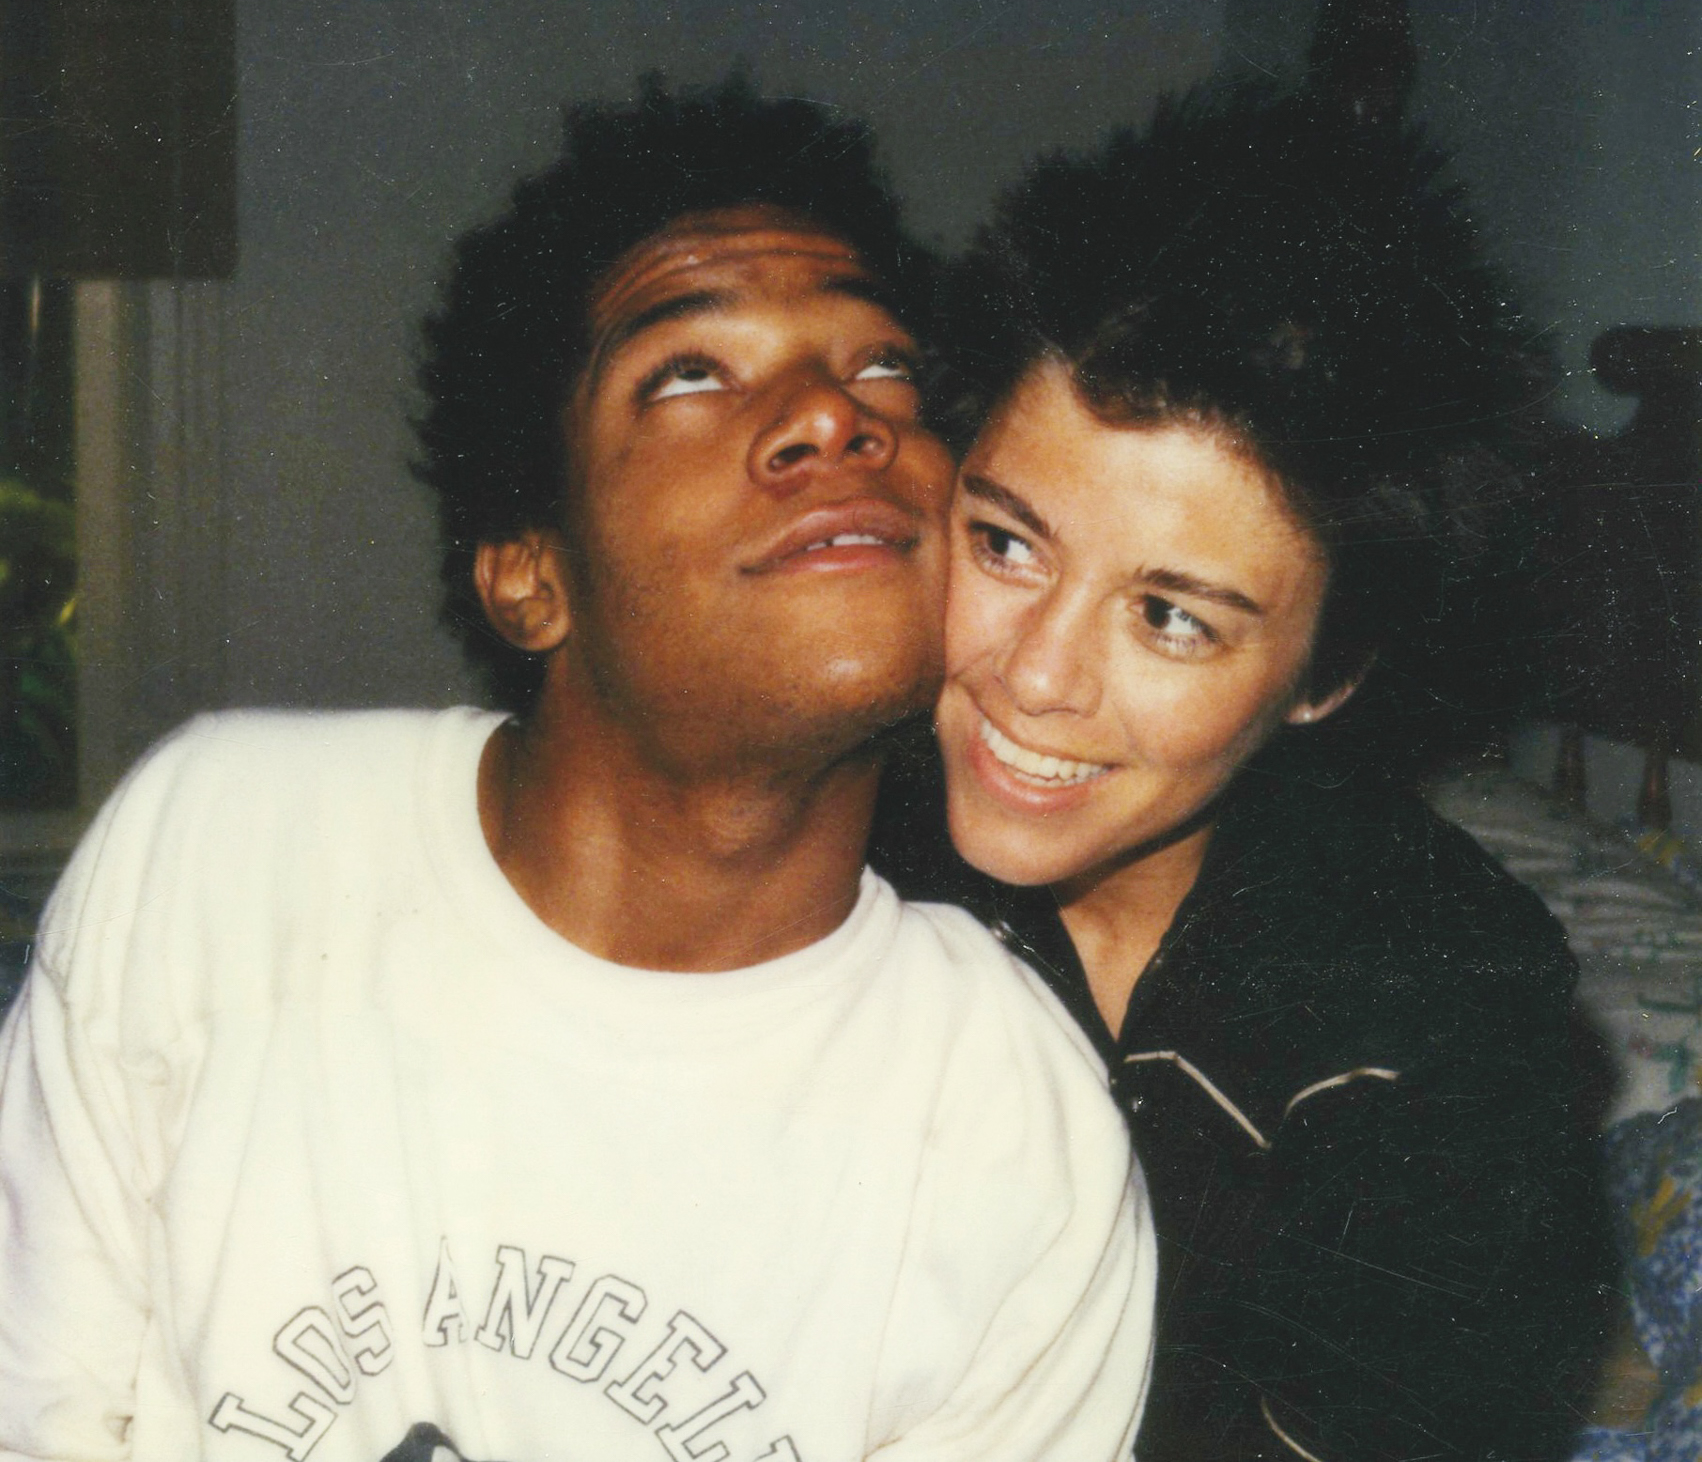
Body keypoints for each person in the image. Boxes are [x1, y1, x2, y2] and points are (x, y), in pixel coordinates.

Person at [0, 78, 1156, 1462]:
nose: (831, 419)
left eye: (882, 370)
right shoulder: (226, 844)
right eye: (688, 374)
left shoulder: (1017, 1138)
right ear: (530, 573)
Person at [874, 86, 1612, 1461]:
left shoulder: (1444, 1017)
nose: (1035, 676)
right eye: (1007, 544)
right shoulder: (807, 850)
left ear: (1327, 675)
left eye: (1171, 618)